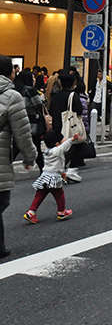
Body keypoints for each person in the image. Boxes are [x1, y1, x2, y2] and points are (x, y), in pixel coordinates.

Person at [0, 56, 36, 259]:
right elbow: (22, 133)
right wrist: (30, 157)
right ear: (10, 73)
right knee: (1, 201)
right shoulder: (12, 96)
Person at [23, 131, 78, 223]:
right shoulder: (57, 151)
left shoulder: (46, 151)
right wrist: (72, 139)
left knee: (40, 195)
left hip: (45, 176)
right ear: (56, 143)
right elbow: (64, 146)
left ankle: (31, 212)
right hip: (54, 177)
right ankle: (61, 212)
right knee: (59, 194)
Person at [48, 73, 84, 182]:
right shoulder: (73, 96)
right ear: (73, 84)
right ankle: (68, 170)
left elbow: (51, 110)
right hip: (70, 126)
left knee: (61, 148)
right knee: (76, 145)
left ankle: (60, 170)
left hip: (57, 125)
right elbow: (79, 110)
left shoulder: (55, 96)